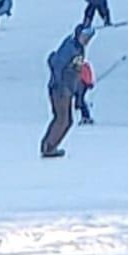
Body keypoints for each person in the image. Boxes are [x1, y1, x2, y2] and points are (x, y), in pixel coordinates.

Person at [41, 25, 94, 158]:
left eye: (89, 37)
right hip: (60, 89)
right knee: (63, 119)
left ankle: (50, 145)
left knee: (66, 120)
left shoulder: (79, 49)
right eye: (85, 36)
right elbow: (57, 65)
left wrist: (77, 88)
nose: (87, 40)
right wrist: (59, 84)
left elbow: (75, 71)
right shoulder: (70, 47)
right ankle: (49, 147)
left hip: (67, 89)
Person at [74, 60, 95, 126]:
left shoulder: (82, 66)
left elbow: (85, 76)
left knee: (80, 100)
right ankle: (85, 116)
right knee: (80, 100)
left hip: (81, 84)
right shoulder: (85, 65)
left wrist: (88, 83)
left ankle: (85, 116)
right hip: (82, 84)